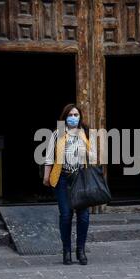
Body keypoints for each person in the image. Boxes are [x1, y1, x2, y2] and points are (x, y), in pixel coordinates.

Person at [43, 103, 96, 265]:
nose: (73, 118)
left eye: (76, 115)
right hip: (63, 178)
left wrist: (85, 152)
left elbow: (93, 157)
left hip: (81, 178)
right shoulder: (57, 134)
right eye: (70, 115)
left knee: (84, 216)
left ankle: (80, 250)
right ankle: (67, 251)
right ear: (65, 117)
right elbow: (49, 157)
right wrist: (46, 177)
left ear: (80, 117)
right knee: (66, 215)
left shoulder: (86, 133)